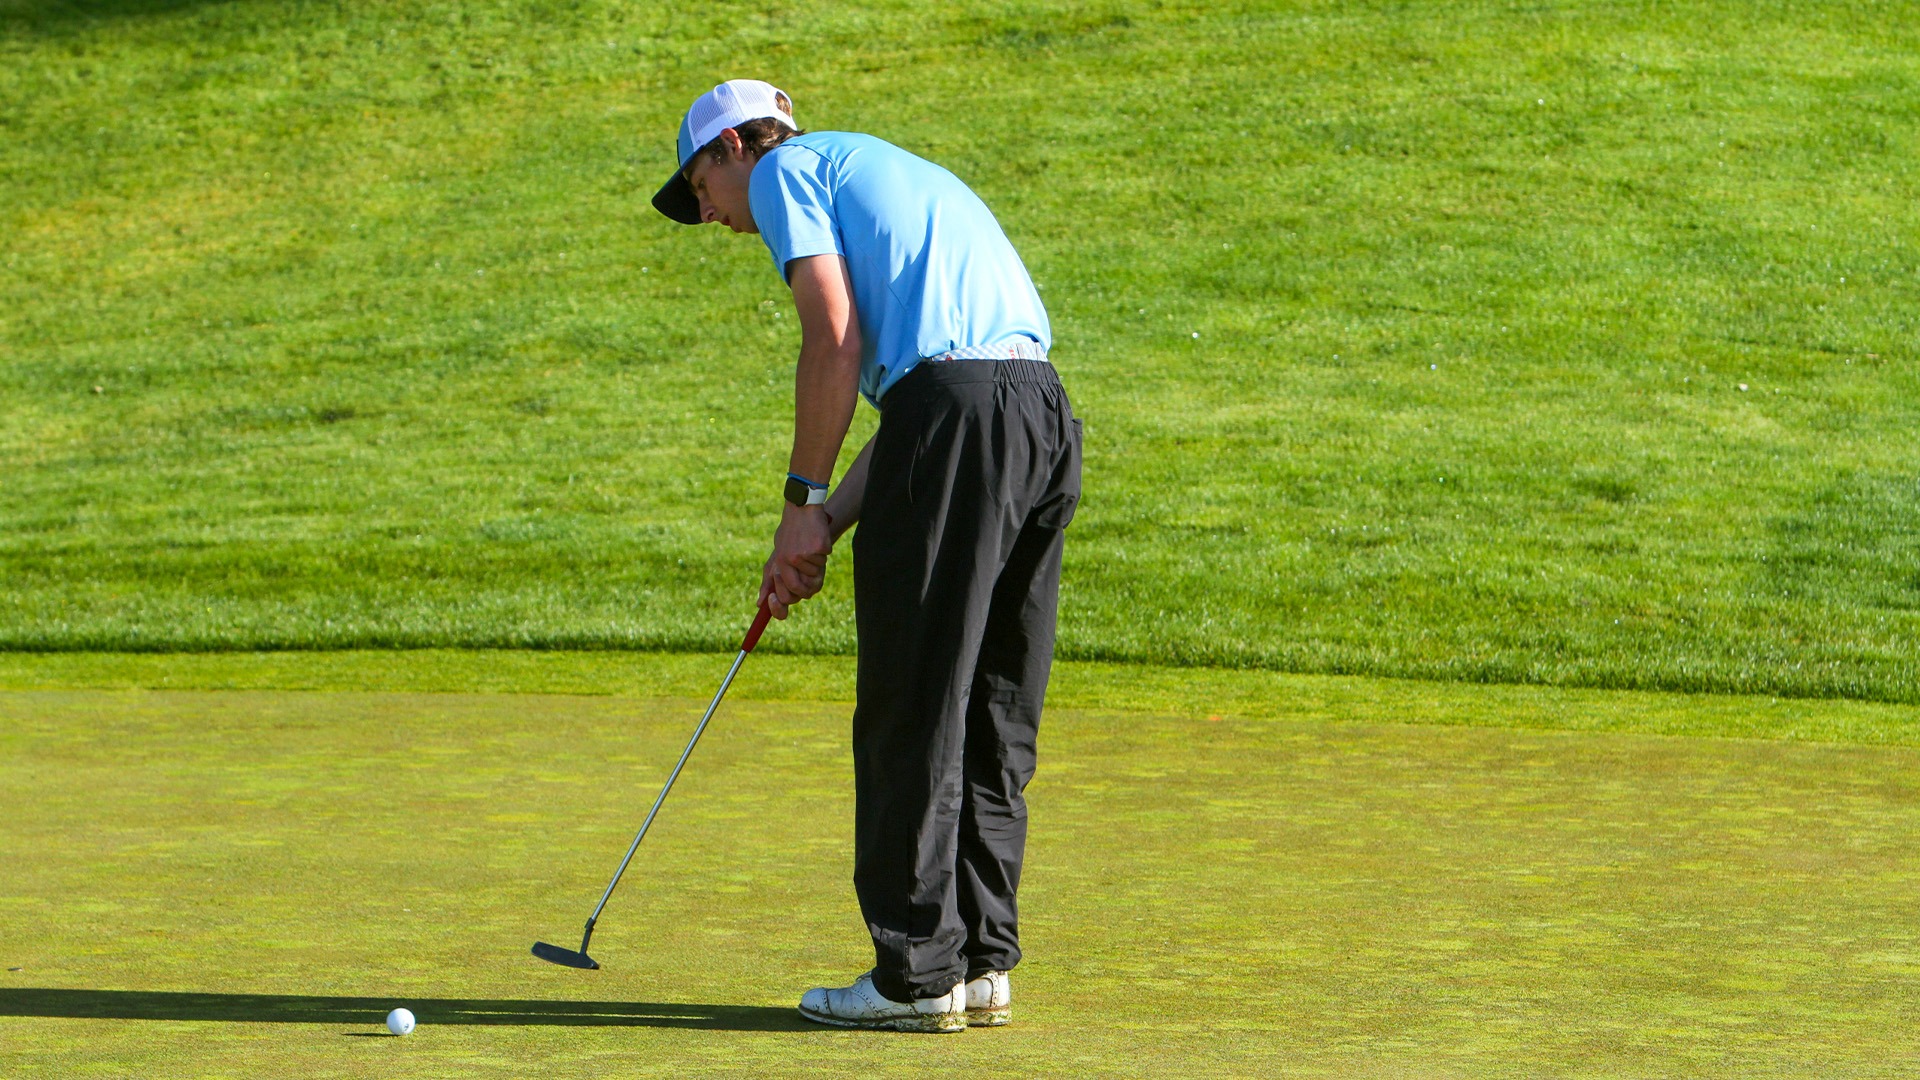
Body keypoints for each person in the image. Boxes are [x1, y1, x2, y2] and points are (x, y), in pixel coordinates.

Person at [652, 79, 1081, 1033]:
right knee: (989, 700)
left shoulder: (786, 172)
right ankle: (977, 960)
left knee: (911, 702)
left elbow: (835, 340)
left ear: (730, 149)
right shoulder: (879, 167)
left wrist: (797, 504)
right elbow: (933, 391)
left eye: (700, 186)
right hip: (1038, 415)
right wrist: (831, 523)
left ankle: (915, 973)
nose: (714, 216)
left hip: (960, 418)